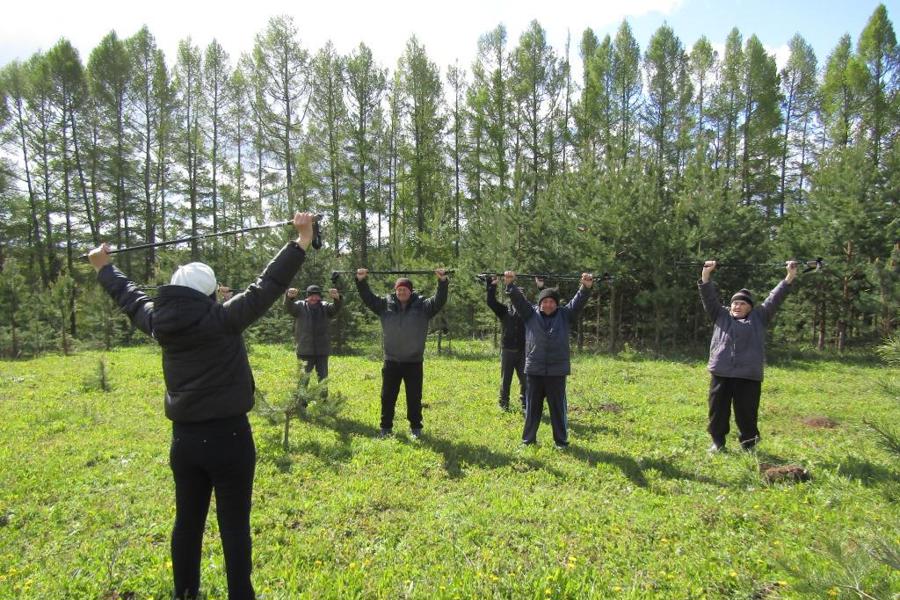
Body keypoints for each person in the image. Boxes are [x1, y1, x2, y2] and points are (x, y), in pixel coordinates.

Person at [88, 213, 316, 600]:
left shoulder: (160, 322)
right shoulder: (224, 318)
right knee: (234, 527)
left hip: (185, 442)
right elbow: (269, 284)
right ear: (210, 294)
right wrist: (302, 239)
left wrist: (105, 268)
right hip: (230, 438)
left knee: (188, 524)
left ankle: (186, 593)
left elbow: (131, 299)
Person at [700, 260, 798, 453]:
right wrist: (706, 275)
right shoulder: (721, 315)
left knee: (746, 413)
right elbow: (708, 297)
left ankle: (749, 445)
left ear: (750, 307)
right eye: (735, 302)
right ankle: (718, 443)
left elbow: (774, 298)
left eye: (742, 303)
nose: (737, 305)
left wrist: (789, 276)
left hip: (748, 375)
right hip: (721, 372)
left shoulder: (759, 317)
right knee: (717, 411)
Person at [504, 271, 594, 448]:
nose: (548, 304)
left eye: (552, 301)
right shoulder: (530, 314)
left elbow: (578, 302)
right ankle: (528, 440)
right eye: (545, 301)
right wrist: (510, 284)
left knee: (558, 410)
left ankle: (561, 442)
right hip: (534, 371)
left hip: (557, 371)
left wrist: (585, 287)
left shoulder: (565, 315)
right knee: (532, 410)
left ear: (556, 304)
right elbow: (519, 301)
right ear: (540, 303)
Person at [356, 268, 449, 439]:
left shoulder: (423, 307)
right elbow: (368, 299)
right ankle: (385, 427)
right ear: (395, 290)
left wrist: (442, 282)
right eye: (398, 289)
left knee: (414, 397)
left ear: (410, 291)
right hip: (391, 360)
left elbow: (439, 300)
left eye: (404, 289)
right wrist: (361, 281)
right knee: (387, 396)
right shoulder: (386, 305)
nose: (401, 292)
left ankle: (415, 428)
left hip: (413, 361)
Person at [485, 275, 544, 412]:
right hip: (507, 351)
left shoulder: (530, 312)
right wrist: (492, 286)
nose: (519, 298)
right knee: (506, 380)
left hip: (524, 351)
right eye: (517, 295)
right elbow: (491, 302)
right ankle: (503, 403)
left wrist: (541, 287)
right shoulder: (505, 311)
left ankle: (525, 404)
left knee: (525, 380)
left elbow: (544, 304)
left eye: (521, 295)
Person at [284, 283, 342, 383]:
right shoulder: (299, 306)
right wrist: (289, 297)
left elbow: (335, 309)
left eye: (316, 295)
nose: (314, 298)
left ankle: (323, 399)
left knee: (323, 380)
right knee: (303, 380)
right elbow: (289, 308)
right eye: (311, 295)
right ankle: (301, 399)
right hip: (304, 351)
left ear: (319, 296)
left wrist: (337, 299)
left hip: (322, 351)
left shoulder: (325, 307)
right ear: (307, 296)